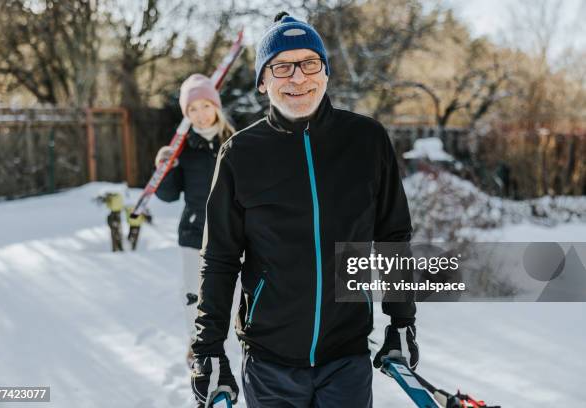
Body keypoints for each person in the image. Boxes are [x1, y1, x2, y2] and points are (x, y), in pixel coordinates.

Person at [190, 13, 418, 407]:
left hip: (347, 355)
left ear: (326, 73)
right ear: (263, 81)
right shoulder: (240, 154)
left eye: (310, 63)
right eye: (282, 67)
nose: (298, 78)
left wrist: (402, 321)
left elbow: (392, 236)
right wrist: (207, 346)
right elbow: (220, 257)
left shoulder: (367, 141)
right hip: (269, 361)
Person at [154, 73, 235, 364]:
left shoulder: (235, 141)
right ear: (186, 114)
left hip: (231, 231)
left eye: (205, 106)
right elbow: (168, 195)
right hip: (194, 230)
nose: (200, 115)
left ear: (216, 106)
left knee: (236, 289)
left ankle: (236, 333)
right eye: (192, 110)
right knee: (193, 291)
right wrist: (165, 168)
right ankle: (196, 339)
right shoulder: (183, 148)